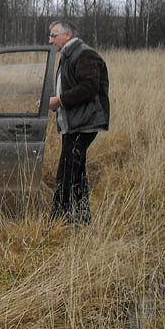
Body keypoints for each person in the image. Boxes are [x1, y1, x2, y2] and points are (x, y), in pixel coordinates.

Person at [47, 20, 110, 225]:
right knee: (76, 173)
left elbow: (89, 87)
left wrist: (59, 100)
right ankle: (82, 220)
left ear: (68, 34)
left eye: (53, 35)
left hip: (84, 124)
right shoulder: (68, 55)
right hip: (74, 124)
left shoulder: (84, 54)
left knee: (66, 172)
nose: (50, 40)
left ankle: (58, 220)